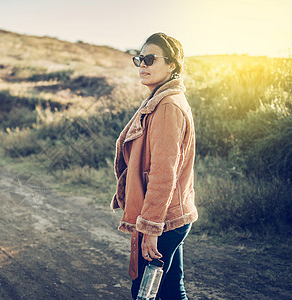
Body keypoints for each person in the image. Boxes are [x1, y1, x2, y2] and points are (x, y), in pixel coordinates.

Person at [110, 32, 198, 300]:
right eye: (140, 59)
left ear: (172, 65)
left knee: (144, 293)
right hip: (170, 215)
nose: (143, 65)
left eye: (150, 59)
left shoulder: (168, 106)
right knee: (172, 290)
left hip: (164, 219)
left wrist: (150, 228)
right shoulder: (160, 100)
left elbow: (163, 173)